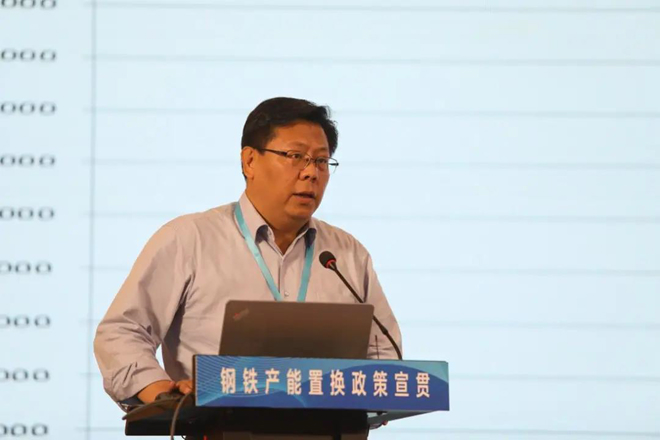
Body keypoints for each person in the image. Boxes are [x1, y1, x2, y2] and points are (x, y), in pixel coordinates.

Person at [94, 97, 402, 406]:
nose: (311, 173)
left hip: (330, 426)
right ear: (250, 161)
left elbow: (384, 353)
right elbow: (121, 332)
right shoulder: (189, 240)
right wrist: (163, 393)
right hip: (215, 424)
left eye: (321, 161)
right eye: (296, 156)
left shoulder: (347, 255)